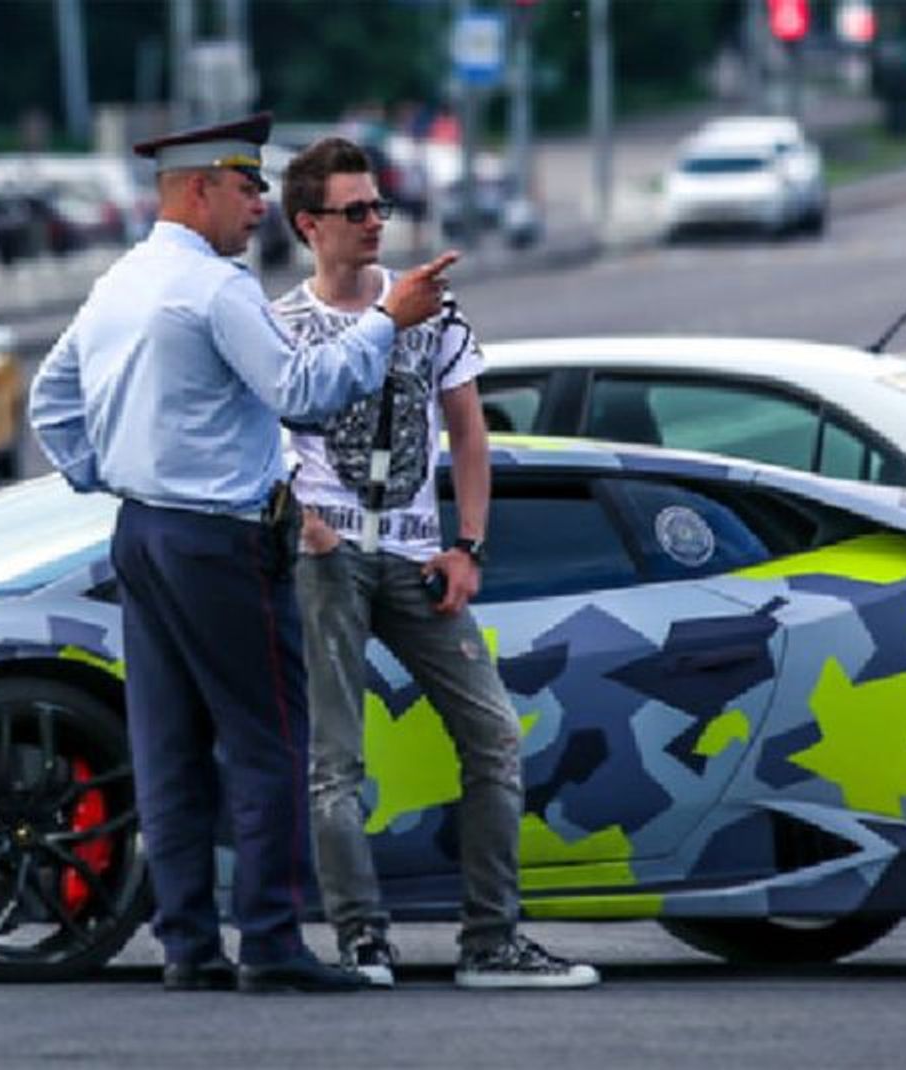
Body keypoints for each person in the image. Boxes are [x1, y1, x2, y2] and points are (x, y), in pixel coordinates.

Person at [28, 113, 459, 994]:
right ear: (198, 191)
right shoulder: (216, 288)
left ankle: (188, 946)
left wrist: (115, 473)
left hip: (144, 535)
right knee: (268, 741)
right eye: (247, 187)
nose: (261, 205)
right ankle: (271, 942)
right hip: (221, 541)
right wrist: (387, 320)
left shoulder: (121, 281)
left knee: (170, 749)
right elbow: (304, 393)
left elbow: (50, 402)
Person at [273, 137, 600, 990]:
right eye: (355, 211)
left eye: (380, 206)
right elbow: (255, 442)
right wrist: (306, 524)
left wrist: (469, 544)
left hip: (419, 556)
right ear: (311, 225)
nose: (376, 222)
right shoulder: (284, 327)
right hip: (331, 557)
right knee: (335, 759)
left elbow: (467, 429)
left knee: (493, 736)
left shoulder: (430, 308)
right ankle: (360, 939)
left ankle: (492, 941)